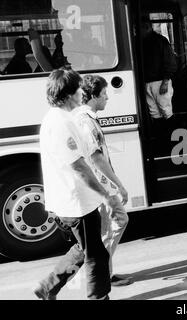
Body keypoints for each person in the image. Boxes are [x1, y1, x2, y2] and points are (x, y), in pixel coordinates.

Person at [35, 68, 117, 300]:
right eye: (79, 88)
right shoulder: (62, 123)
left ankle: (48, 286)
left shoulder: (56, 119)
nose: (83, 92)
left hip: (69, 200)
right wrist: (105, 194)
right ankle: (98, 297)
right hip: (77, 202)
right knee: (96, 255)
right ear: (70, 94)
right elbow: (78, 166)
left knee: (85, 249)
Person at [73, 75, 132, 287]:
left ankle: (104, 270)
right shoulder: (85, 121)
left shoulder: (86, 118)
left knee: (109, 228)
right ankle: (99, 273)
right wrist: (119, 185)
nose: (107, 98)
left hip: (99, 186)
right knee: (116, 223)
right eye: (104, 94)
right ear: (94, 96)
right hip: (100, 187)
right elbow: (96, 158)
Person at [142, 19, 178, 120]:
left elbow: (170, 62)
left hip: (160, 81)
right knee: (154, 112)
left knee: (166, 111)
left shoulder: (161, 40)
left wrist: (165, 82)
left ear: (147, 27)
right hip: (149, 82)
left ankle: (170, 134)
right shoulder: (143, 41)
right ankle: (161, 134)